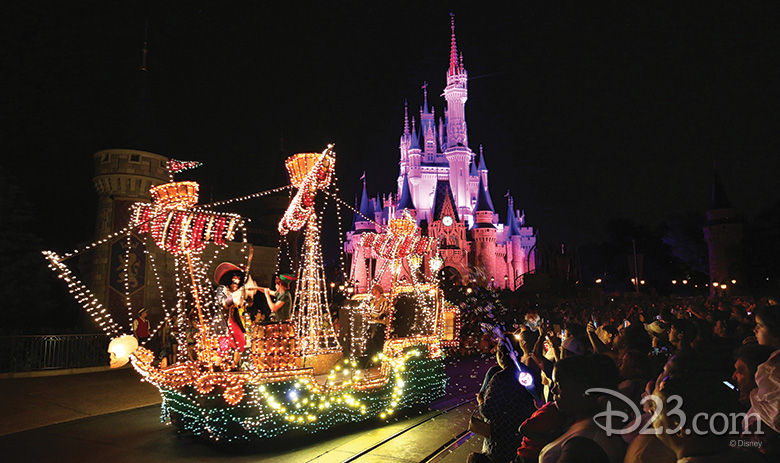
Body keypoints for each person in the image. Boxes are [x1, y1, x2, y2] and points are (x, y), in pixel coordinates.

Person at [538, 355, 626, 463]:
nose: (553, 390)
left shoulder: (583, 445)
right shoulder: (590, 423)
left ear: (584, 389)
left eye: (559, 385)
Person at [470, 337, 536, 463]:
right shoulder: (529, 372)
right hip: (523, 435)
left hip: (501, 440)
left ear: (502, 355)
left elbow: (488, 411)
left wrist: (481, 401)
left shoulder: (501, 377)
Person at [214, 262, 256, 369]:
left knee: (241, 342)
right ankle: (216, 366)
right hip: (222, 322)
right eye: (234, 283)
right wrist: (235, 296)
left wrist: (248, 295)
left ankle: (233, 366)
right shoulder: (221, 290)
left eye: (238, 283)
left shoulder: (238, 293)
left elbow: (246, 305)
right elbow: (223, 303)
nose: (236, 285)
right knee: (224, 345)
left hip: (233, 321)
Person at [365, 284, 390, 361]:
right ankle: (375, 355)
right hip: (372, 323)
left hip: (380, 323)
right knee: (370, 339)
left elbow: (380, 312)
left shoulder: (384, 301)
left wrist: (371, 314)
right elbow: (369, 312)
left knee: (377, 338)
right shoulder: (372, 302)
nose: (372, 291)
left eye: (373, 290)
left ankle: (380, 354)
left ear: (378, 291)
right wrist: (370, 315)